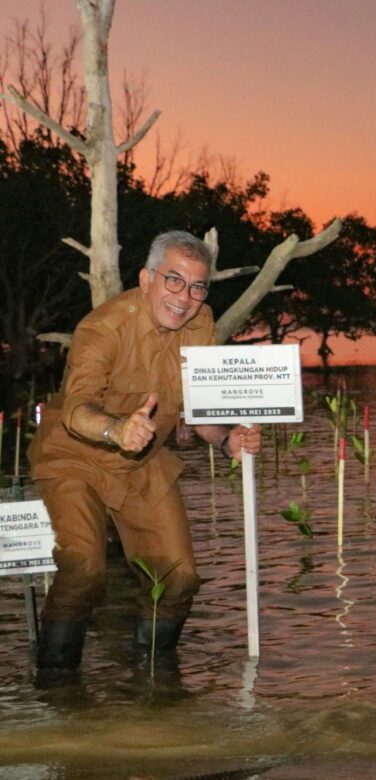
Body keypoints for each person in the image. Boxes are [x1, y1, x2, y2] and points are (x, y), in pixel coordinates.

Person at [28, 230, 262, 677]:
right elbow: (76, 408)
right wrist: (117, 428)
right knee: (84, 568)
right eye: (174, 281)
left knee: (179, 576)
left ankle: (154, 683)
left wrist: (229, 438)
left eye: (197, 286)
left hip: (143, 458)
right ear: (146, 278)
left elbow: (199, 406)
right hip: (75, 455)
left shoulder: (201, 323)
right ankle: (55, 688)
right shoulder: (103, 326)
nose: (185, 297)